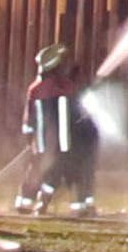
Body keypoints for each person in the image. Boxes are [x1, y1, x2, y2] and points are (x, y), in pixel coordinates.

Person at [15, 43, 97, 217]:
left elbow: (29, 119)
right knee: (67, 174)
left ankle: (25, 203)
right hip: (64, 145)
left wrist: (30, 139)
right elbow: (76, 116)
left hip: (42, 145)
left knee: (38, 173)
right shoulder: (66, 87)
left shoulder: (36, 89)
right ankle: (51, 205)